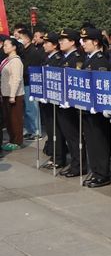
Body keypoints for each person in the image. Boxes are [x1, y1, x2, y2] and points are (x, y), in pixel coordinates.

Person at [79, 27, 111, 188]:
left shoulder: (100, 60)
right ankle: (96, 171)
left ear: (95, 42)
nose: (83, 44)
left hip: (97, 110)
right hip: (87, 108)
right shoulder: (88, 59)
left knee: (99, 141)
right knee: (91, 141)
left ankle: (102, 173)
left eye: (86, 41)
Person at [56, 29, 85, 177]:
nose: (60, 42)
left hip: (72, 104)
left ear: (73, 42)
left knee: (74, 136)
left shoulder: (77, 58)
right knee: (68, 136)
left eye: (63, 40)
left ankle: (79, 165)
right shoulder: (64, 57)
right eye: (60, 40)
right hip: (62, 102)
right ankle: (74, 163)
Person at [39, 33, 67, 169]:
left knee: (56, 130)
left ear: (54, 45)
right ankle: (55, 154)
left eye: (46, 43)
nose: (44, 45)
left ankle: (59, 157)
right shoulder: (47, 58)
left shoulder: (57, 59)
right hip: (46, 99)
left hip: (54, 100)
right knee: (51, 129)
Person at [15, 29, 44, 141]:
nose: (18, 40)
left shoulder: (33, 52)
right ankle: (29, 130)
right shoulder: (23, 51)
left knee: (32, 108)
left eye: (20, 38)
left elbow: (29, 68)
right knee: (26, 109)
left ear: (27, 39)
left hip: (31, 83)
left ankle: (36, 131)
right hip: (24, 82)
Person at [1, 37, 25, 151]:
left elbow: (16, 79)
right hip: (5, 92)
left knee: (15, 119)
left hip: (14, 95)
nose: (4, 47)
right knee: (9, 119)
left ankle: (17, 141)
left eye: (6, 45)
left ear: (14, 47)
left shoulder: (16, 61)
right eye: (4, 45)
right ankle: (12, 139)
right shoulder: (7, 59)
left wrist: (12, 95)